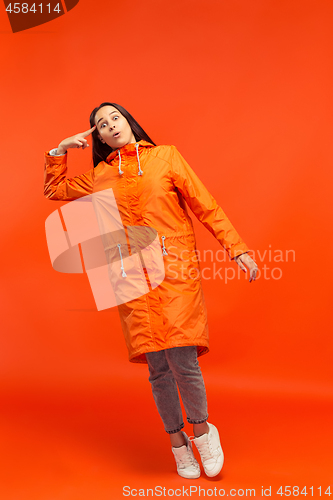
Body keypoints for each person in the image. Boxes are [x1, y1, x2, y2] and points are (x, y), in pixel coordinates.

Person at [43, 102, 258, 479]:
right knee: (158, 367)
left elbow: (205, 206)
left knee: (183, 358)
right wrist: (60, 150)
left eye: (115, 118)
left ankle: (203, 431)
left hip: (174, 272)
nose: (110, 126)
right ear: (98, 137)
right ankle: (178, 442)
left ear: (128, 122)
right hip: (129, 277)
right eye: (101, 125)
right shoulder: (100, 175)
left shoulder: (166, 158)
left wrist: (237, 249)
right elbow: (54, 189)